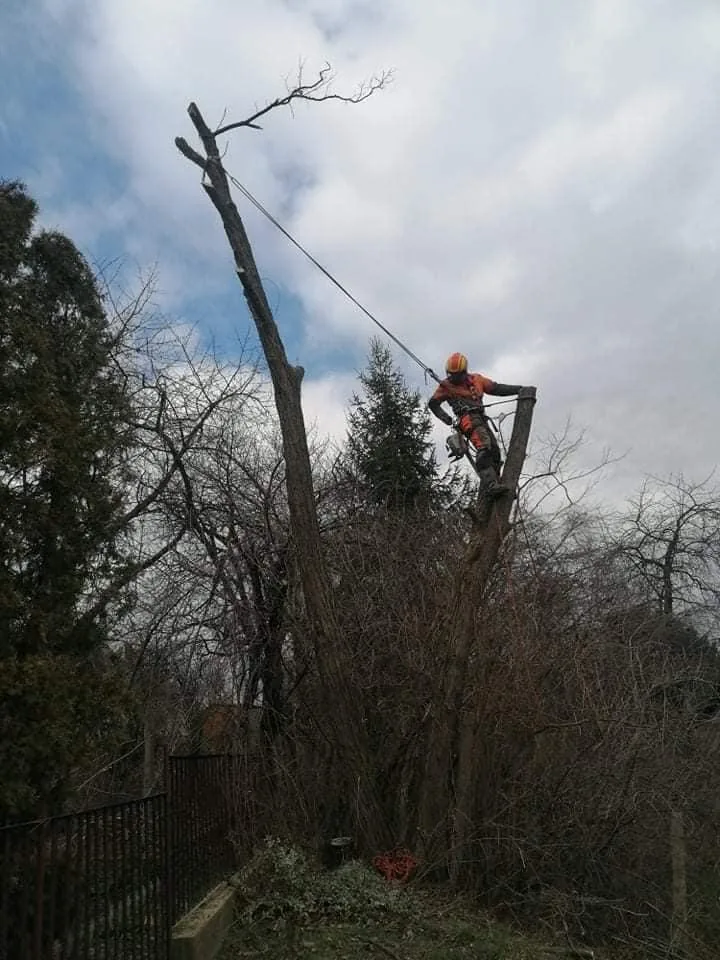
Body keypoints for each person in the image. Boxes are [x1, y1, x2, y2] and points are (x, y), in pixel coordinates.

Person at [428, 352, 530, 496]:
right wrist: (446, 419)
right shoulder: (445, 386)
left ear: (464, 372)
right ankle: (490, 486)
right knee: (484, 446)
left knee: (495, 451)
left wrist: (519, 389)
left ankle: (497, 482)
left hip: (481, 417)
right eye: (451, 374)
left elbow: (496, 388)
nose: (454, 378)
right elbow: (433, 403)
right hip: (467, 419)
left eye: (457, 375)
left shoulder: (477, 380)